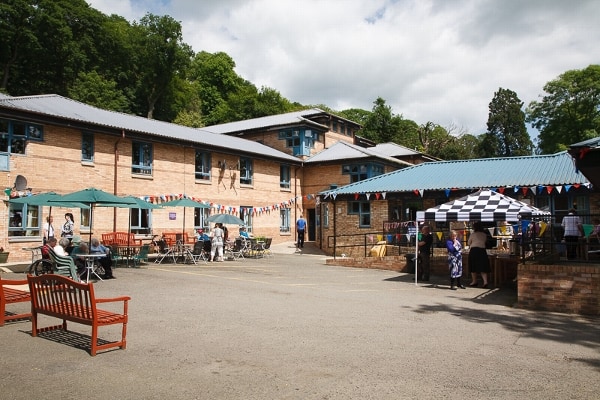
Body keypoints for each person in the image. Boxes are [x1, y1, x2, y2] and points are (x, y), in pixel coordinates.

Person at [468, 222, 490, 288]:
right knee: (483, 266)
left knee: (473, 266)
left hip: (474, 250)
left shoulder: (473, 234)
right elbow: (485, 242)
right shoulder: (484, 234)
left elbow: (469, 243)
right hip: (482, 251)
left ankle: (474, 281)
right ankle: (485, 282)